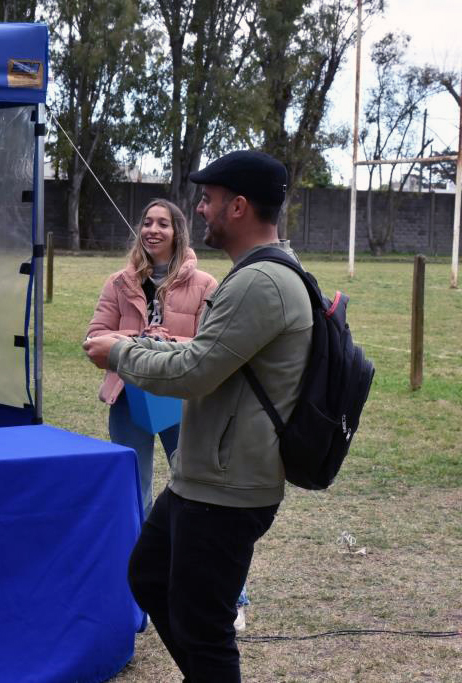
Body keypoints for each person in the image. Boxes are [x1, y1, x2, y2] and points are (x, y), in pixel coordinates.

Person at [83, 150, 312, 682]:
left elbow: (194, 370)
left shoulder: (262, 283)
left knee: (203, 627)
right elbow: (206, 360)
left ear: (238, 206)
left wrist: (119, 352)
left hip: (229, 488)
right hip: (203, 475)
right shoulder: (252, 275)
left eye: (207, 201)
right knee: (150, 576)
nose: (200, 211)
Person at [86, 198, 216, 519]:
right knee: (132, 485)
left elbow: (209, 347)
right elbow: (95, 338)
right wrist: (138, 341)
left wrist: (164, 342)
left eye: (162, 223)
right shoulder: (119, 282)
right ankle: (139, 558)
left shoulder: (205, 285)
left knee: (192, 483)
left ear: (177, 232)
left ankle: (185, 550)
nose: (152, 230)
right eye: (147, 222)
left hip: (180, 396)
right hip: (129, 394)